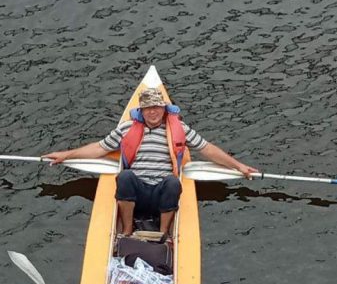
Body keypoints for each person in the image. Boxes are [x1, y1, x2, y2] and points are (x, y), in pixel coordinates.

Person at [42, 88, 257, 236]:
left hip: (162, 193)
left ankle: (164, 234)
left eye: (157, 107)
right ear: (141, 111)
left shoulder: (179, 130)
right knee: (124, 176)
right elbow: (100, 148)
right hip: (136, 192)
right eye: (148, 108)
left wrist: (238, 166)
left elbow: (208, 149)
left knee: (174, 183)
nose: (153, 111)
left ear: (164, 109)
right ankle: (126, 230)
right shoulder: (126, 129)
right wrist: (66, 155)